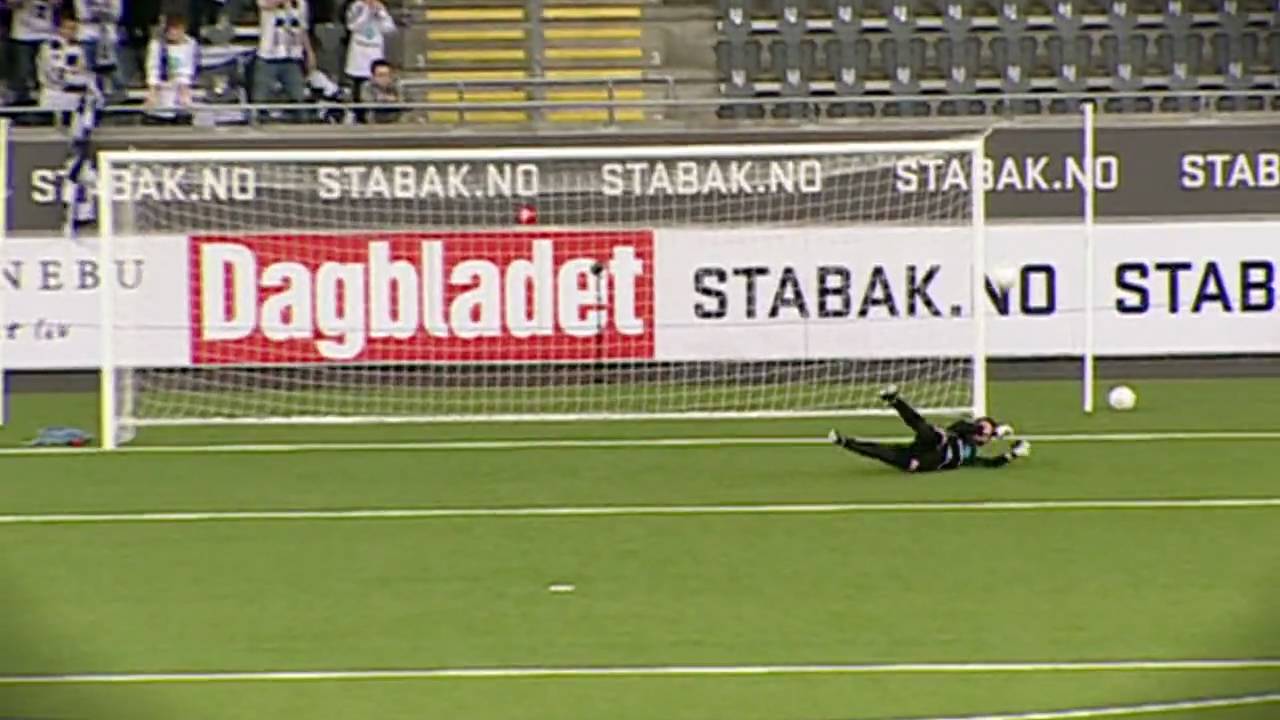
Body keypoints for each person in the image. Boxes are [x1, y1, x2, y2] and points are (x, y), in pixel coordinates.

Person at [828, 385, 1031, 472]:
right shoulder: (962, 431)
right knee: (923, 427)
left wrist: (1013, 454)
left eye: (986, 433)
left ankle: (843, 441)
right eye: (983, 429)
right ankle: (894, 400)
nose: (983, 433)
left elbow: (992, 464)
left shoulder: (970, 455)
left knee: (883, 452)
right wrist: (994, 432)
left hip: (922, 460)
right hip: (934, 441)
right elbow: (970, 428)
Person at [253, 0, 310, 118]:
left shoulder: (301, 3)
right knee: (259, 102)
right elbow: (266, 5)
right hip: (267, 58)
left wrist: (309, 52)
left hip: (292, 58)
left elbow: (302, 29)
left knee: (299, 100)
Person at [37, 13, 92, 123]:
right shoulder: (50, 46)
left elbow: (84, 70)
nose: (70, 32)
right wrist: (73, 73)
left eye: (73, 29)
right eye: (67, 28)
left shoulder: (78, 47)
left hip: (75, 92)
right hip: (55, 91)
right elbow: (55, 72)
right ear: (59, 29)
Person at [144, 14, 198, 123]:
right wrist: (152, 91)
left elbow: (188, 67)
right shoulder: (156, 45)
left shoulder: (190, 44)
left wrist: (184, 90)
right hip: (162, 88)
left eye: (177, 29)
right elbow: (153, 68)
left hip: (181, 91)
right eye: (170, 29)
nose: (173, 32)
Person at [343, 0, 393, 111]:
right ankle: (359, 115)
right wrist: (367, 12)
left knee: (376, 86)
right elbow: (352, 26)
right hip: (359, 53)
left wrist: (381, 14)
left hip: (375, 52)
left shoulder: (380, 7)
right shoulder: (355, 6)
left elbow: (389, 28)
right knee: (359, 88)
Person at [8, 0, 59, 106]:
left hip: (46, 34)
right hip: (23, 35)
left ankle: (46, 103)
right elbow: (11, 3)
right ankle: (25, 105)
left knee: (47, 73)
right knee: (24, 73)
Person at [357, 57, 399, 123]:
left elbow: (404, 101)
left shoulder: (396, 84)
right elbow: (367, 102)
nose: (385, 78)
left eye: (388, 75)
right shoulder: (367, 86)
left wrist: (395, 99)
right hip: (374, 123)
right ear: (373, 76)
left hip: (396, 123)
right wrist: (387, 99)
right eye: (380, 75)